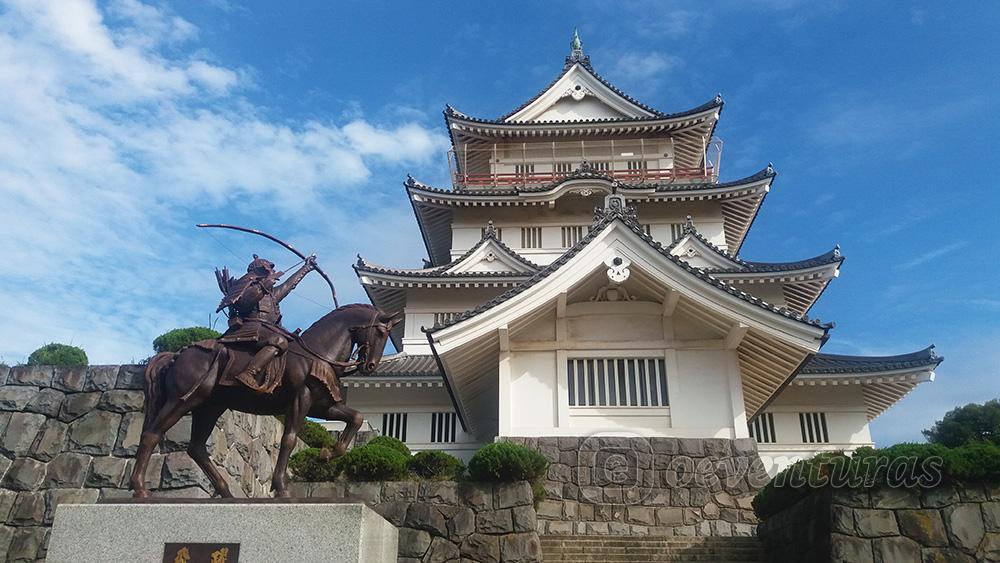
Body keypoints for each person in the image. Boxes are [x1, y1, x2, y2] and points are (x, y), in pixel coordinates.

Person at [214, 254, 315, 391]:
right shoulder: (246, 287)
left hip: (269, 328)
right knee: (279, 341)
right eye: (269, 269)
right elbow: (243, 305)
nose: (272, 272)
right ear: (262, 271)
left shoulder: (271, 293)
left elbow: (289, 285)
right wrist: (263, 286)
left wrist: (306, 267)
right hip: (251, 327)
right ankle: (248, 373)